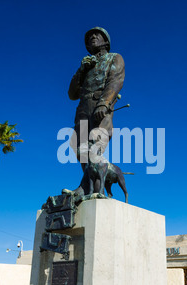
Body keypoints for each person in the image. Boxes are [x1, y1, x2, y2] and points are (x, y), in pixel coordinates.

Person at [65, 27, 125, 197]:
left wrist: (104, 103)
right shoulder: (85, 65)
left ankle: (89, 188)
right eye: (89, 37)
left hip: (100, 106)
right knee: (78, 146)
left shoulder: (114, 58)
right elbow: (71, 94)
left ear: (105, 41)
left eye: (96, 35)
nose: (92, 38)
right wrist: (81, 70)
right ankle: (91, 185)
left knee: (95, 146)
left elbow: (115, 81)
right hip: (83, 108)